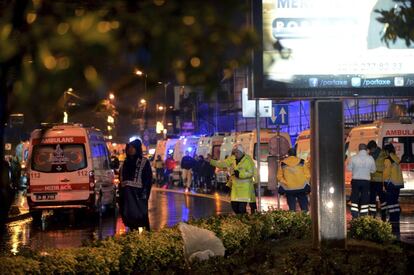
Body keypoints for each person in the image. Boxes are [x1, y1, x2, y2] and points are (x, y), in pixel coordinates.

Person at [208, 144, 256, 214]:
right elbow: (223, 163)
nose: (235, 154)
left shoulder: (248, 160)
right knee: (234, 206)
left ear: (241, 152)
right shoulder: (232, 159)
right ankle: (242, 220)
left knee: (241, 208)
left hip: (245, 190)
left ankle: (243, 221)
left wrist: (240, 174)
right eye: (234, 152)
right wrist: (211, 161)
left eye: (236, 152)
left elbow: (251, 172)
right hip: (235, 189)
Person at [119, 139, 153, 231]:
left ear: (137, 149)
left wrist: (144, 192)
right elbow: (121, 178)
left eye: (132, 148)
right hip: (127, 195)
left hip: (138, 195)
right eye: (129, 148)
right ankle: (133, 236)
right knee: (129, 217)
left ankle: (146, 239)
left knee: (141, 216)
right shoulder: (125, 163)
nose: (130, 150)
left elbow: (148, 178)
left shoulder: (144, 162)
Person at [347, 143, 376, 219]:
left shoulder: (353, 158)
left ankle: (354, 214)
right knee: (365, 197)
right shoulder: (370, 158)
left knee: (355, 196)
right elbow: (373, 170)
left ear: (359, 149)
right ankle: (363, 214)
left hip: (356, 180)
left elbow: (349, 169)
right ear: (366, 149)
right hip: (366, 181)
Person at [383, 143, 404, 236]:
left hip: (391, 184)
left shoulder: (388, 160)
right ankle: (395, 219)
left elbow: (386, 173)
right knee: (395, 202)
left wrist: (384, 183)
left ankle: (392, 220)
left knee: (391, 203)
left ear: (387, 151)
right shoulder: (396, 158)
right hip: (398, 184)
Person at [367, 140, 387, 219]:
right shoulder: (370, 155)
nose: (370, 151)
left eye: (370, 149)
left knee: (382, 199)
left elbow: (386, 166)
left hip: (380, 180)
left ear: (374, 147)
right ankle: (372, 214)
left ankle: (384, 214)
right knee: (372, 199)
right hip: (372, 180)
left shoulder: (383, 154)